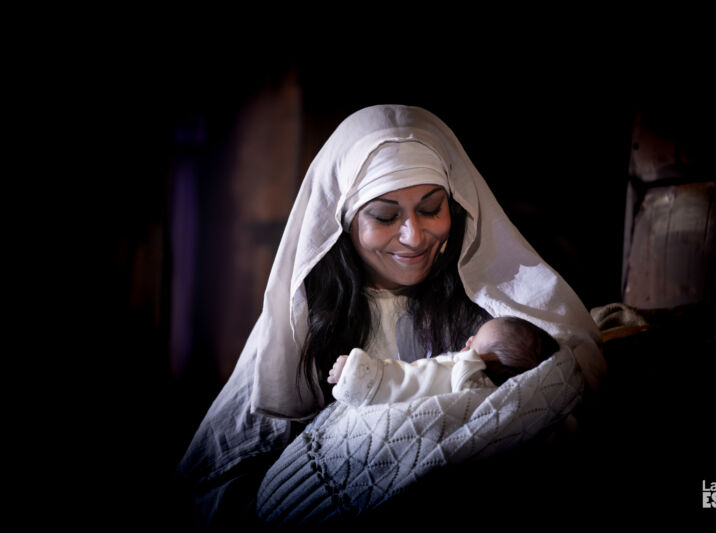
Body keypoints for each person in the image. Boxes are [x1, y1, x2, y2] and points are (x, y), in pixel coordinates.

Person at [175, 104, 606, 527]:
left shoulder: (492, 311)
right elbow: (215, 476)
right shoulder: (305, 323)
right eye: (384, 216)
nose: (414, 236)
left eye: (431, 208)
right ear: (344, 220)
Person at [327, 316, 560, 406]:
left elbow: (408, 381)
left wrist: (354, 370)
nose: (468, 341)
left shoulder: (458, 376)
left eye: (474, 345)